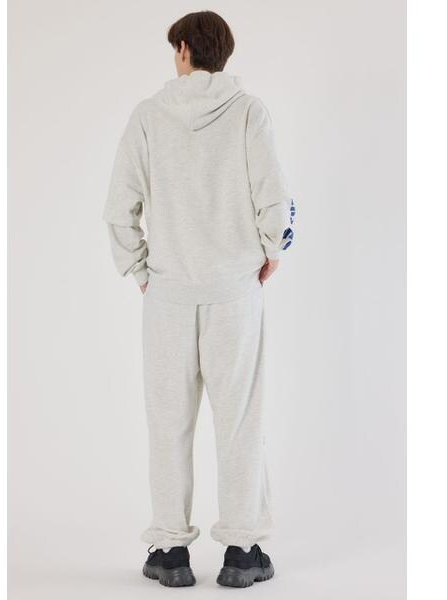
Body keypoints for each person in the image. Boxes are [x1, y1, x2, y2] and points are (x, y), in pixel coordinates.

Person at [103, 10, 294, 588]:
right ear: (223, 54)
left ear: (185, 49)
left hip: (167, 295)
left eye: (175, 48)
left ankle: (170, 552)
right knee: (240, 422)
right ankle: (241, 551)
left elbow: (118, 209)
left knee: (168, 423)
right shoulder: (249, 112)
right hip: (234, 292)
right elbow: (275, 198)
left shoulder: (148, 116)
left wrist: (140, 269)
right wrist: (273, 249)